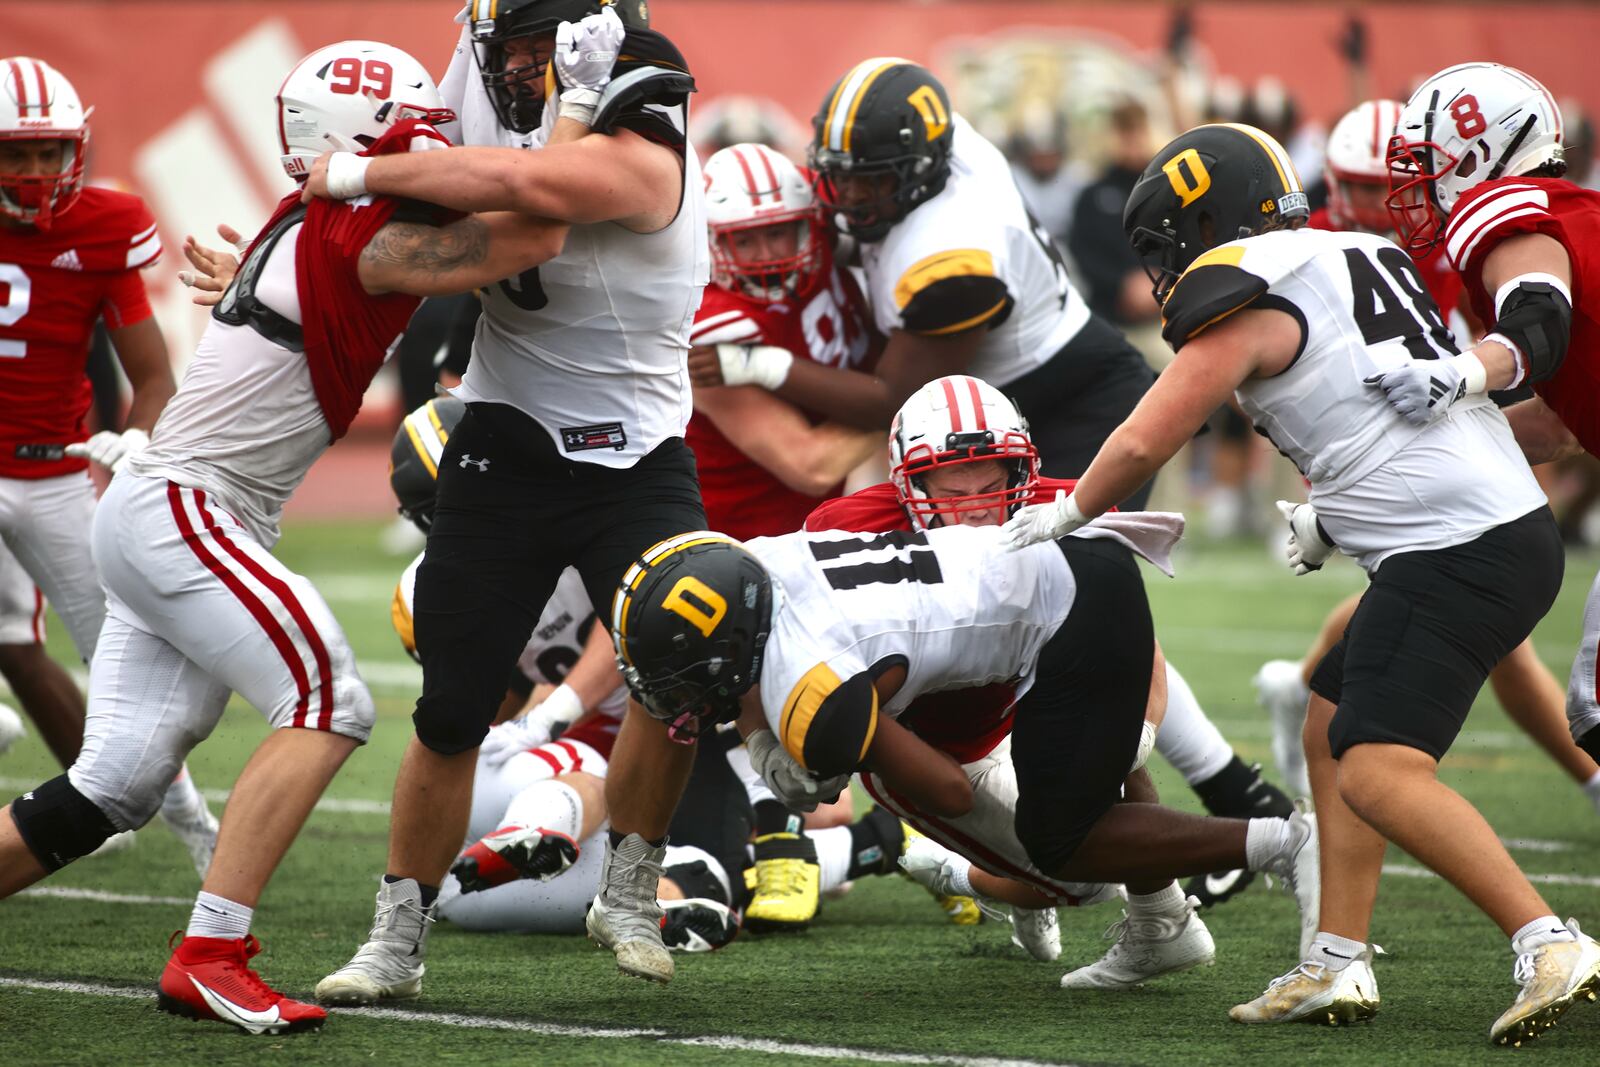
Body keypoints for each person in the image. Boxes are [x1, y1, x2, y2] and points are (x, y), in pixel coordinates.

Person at [0, 40, 572, 1035]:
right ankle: (212, 951)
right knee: (329, 695)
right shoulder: (362, 237)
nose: (430, 149)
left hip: (166, 509)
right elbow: (537, 235)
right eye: (409, 137)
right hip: (191, 506)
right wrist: (582, 117)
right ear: (352, 147)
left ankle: (206, 948)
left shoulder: (320, 221)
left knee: (116, 783)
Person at [1005, 119, 1594, 1044]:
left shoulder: (1245, 293)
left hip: (1455, 547)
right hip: (1486, 525)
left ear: (1204, 222)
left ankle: (1548, 940)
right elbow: (1367, 396)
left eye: (1165, 245)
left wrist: (1069, 511)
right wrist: (1337, 505)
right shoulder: (1350, 250)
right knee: (1329, 718)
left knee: (1378, 768)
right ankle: (1337, 957)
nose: (1165, 270)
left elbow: (1147, 434)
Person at [307, 0, 712, 994]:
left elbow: (536, 188)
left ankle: (627, 886)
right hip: (507, 430)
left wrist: (357, 170)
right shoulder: (477, 88)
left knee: (685, 659)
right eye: (516, 48)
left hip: (637, 442)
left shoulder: (641, 129)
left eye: (550, 48)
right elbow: (406, 217)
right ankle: (396, 936)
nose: (526, 67)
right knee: (451, 703)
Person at [611, 513, 1322, 997]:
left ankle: (1287, 843)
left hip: (1071, 619)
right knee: (1070, 788)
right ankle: (1162, 922)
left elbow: (947, 790)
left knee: (1061, 841)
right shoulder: (753, 561)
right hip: (1070, 577)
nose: (676, 701)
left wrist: (785, 750)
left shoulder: (808, 685)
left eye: (687, 680)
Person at [1255, 99, 1600, 808]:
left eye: (1393, 182)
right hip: (1375, 454)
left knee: (1466, 609)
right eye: (1357, 186)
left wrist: (1473, 375)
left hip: (1429, 454)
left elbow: (1536, 350)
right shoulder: (1314, 248)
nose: (1381, 204)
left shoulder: (1482, 234)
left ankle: (1301, 685)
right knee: (1465, 604)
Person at [689, 60, 1159, 504]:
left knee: (1075, 562)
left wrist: (763, 365)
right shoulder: (923, 138)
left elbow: (893, 399)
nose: (846, 195)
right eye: (838, 174)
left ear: (919, 171)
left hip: (1072, 399)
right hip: (997, 399)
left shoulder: (954, 258)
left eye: (869, 181)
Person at [0, 55, 217, 873]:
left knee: (121, 659)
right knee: (12, 638)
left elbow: (153, 376)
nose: (33, 172)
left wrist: (136, 442)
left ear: (75, 150)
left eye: (47, 152)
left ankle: (193, 822)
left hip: (55, 476)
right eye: (14, 153)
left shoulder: (106, 223)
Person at [689, 141, 883, 542]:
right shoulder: (714, 329)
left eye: (778, 233)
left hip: (813, 525)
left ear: (809, 222)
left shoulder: (822, 227)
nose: (766, 257)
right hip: (736, 539)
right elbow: (812, 465)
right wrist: (912, 393)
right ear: (712, 243)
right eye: (743, 241)